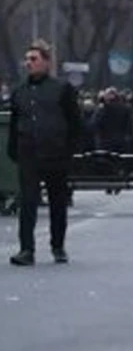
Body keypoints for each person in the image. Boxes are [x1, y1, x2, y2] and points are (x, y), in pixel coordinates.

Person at [7, 42, 83, 266]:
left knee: (57, 201)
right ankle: (26, 249)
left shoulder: (61, 89)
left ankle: (58, 246)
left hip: (55, 152)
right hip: (28, 151)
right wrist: (14, 149)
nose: (29, 63)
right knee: (27, 201)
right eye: (27, 59)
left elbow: (74, 122)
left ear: (46, 62)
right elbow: (14, 122)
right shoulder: (20, 91)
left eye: (34, 59)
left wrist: (70, 150)